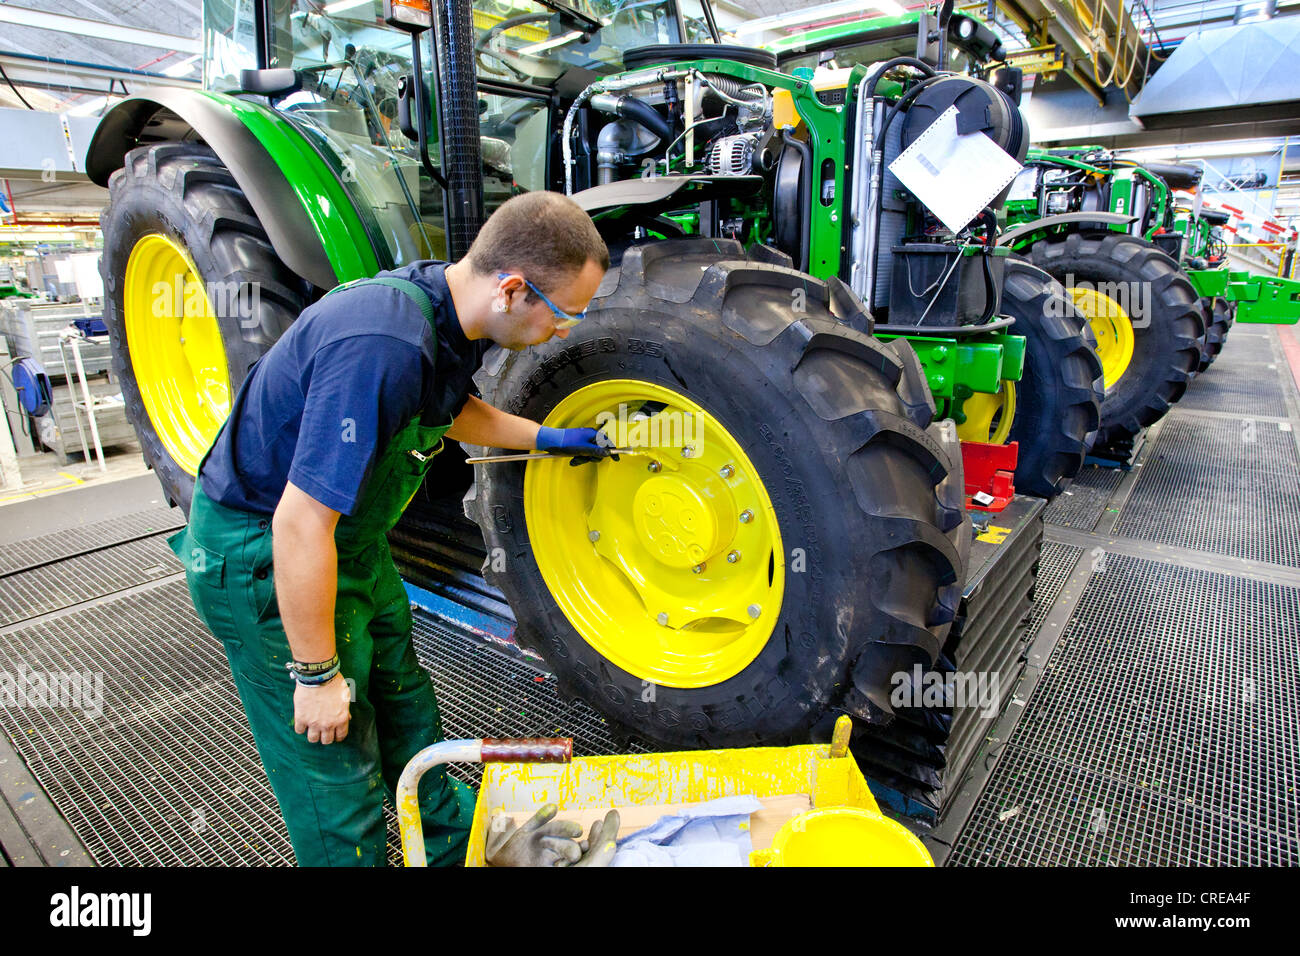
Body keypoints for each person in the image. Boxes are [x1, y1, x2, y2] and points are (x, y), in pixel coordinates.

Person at [169, 192, 611, 866]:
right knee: (337, 766)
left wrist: (549, 438)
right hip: (264, 555)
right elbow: (299, 522)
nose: (568, 330)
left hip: (352, 547)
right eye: (564, 314)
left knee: (406, 705)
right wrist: (315, 676)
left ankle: (448, 841)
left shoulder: (446, 309)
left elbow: (449, 408)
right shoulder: (381, 344)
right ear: (514, 289)